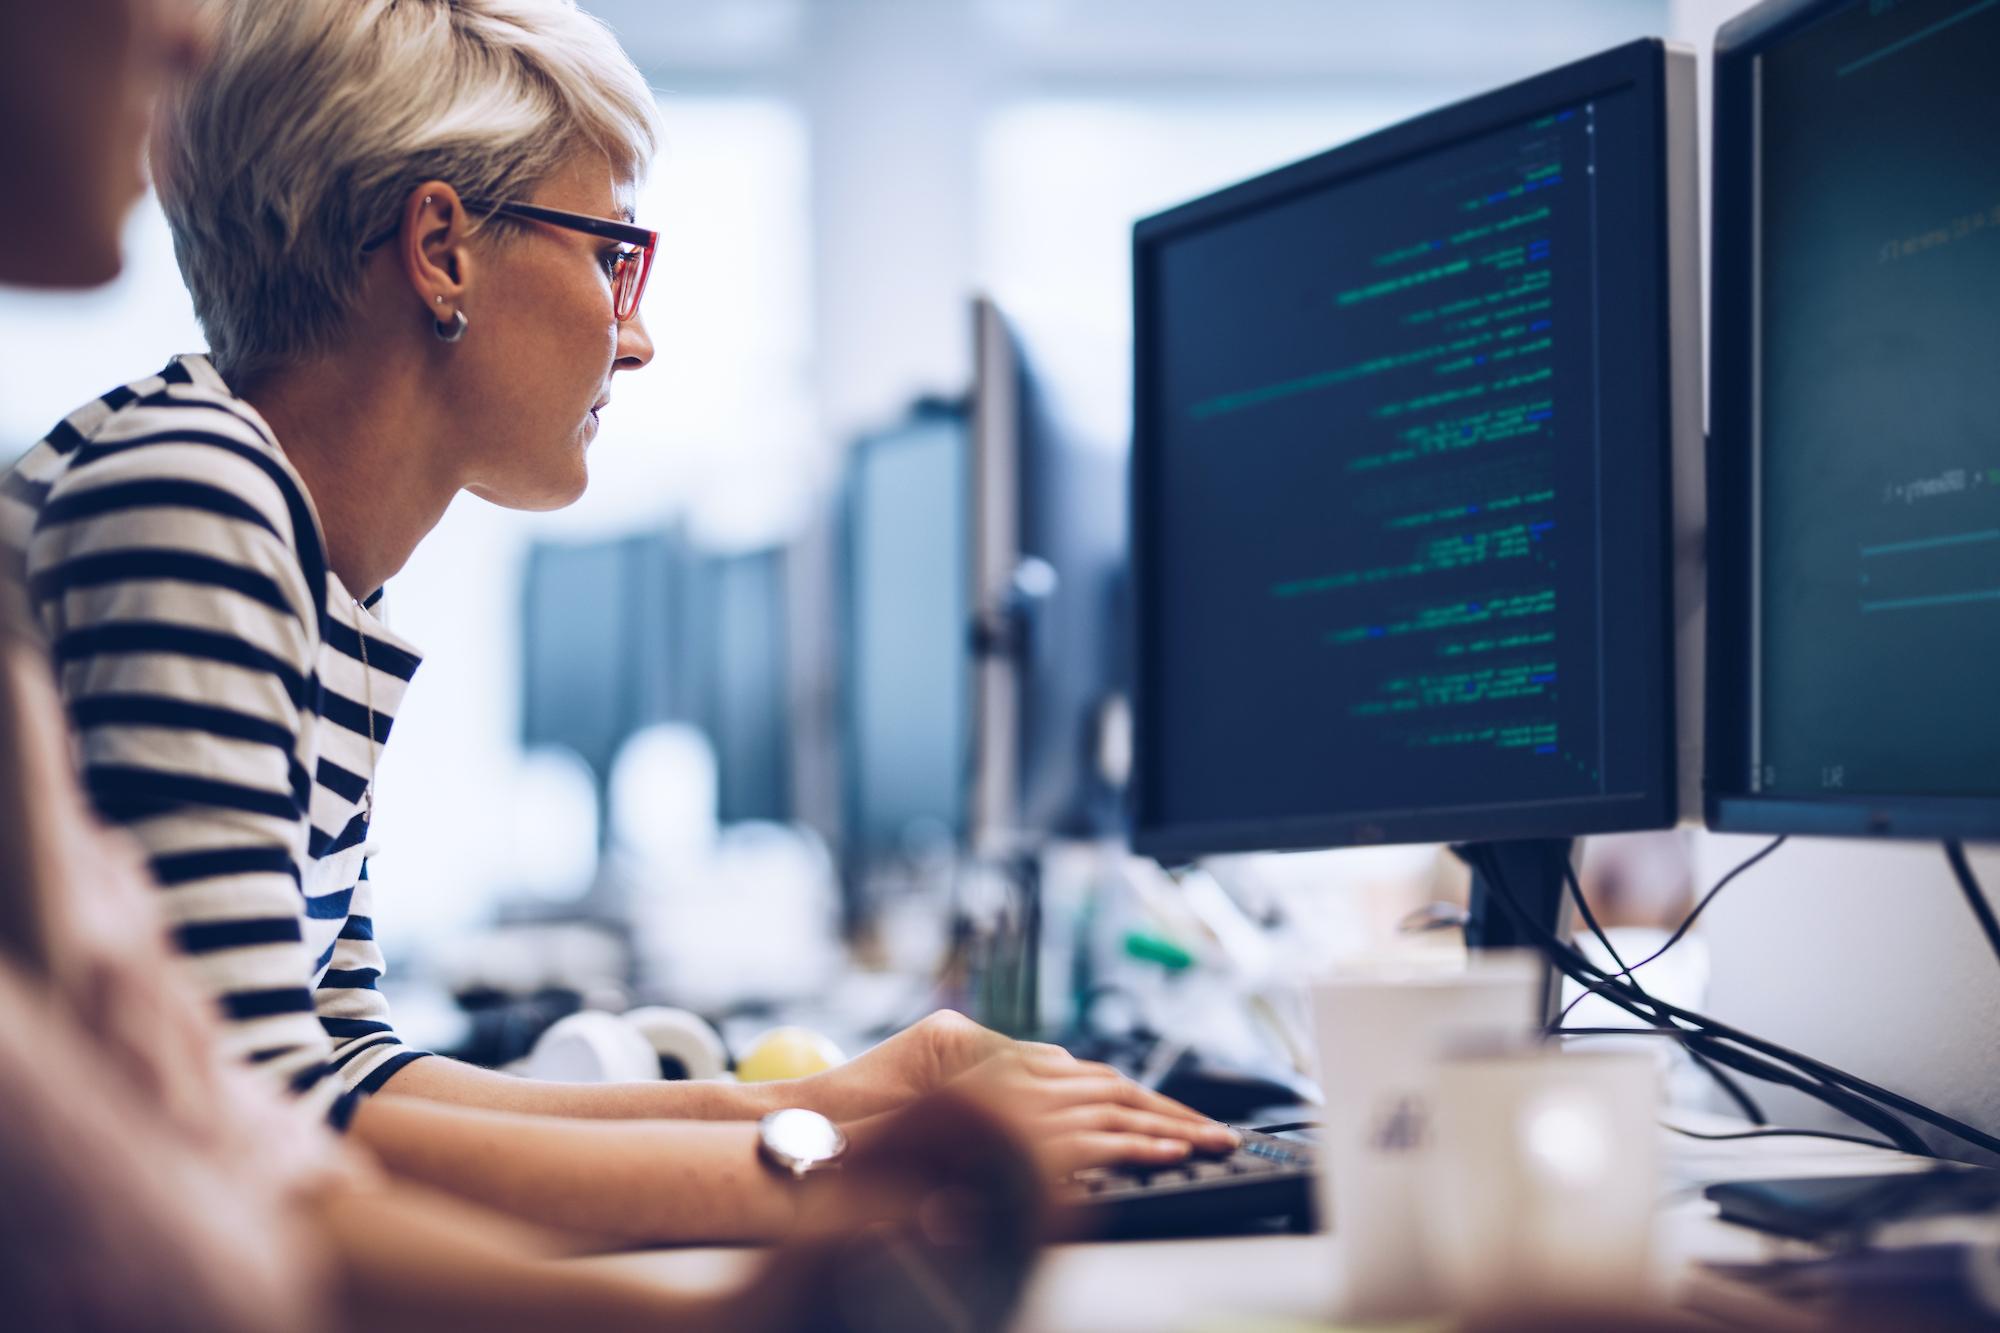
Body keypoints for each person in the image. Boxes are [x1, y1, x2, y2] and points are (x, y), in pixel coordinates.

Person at [3, 0, 1232, 1243]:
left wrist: (850, 1096)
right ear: (440, 249)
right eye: (610, 256)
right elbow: (267, 1133)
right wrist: (877, 1174)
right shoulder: (193, 495)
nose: (634, 337)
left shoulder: (302, 556)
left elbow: (349, 1069)